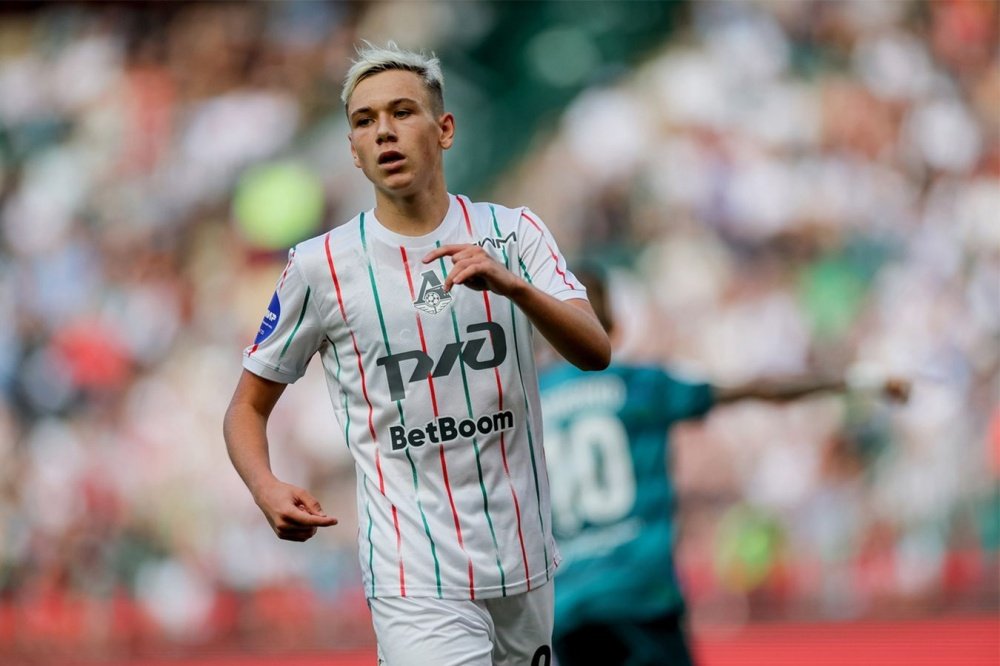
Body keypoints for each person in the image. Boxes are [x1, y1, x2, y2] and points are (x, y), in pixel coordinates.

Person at [223, 42, 610, 666]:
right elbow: (246, 406)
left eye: (402, 112)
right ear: (353, 150)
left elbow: (595, 351)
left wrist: (514, 287)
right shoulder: (320, 267)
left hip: (524, 556)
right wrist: (264, 487)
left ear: (445, 129)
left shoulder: (515, 233)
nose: (384, 132)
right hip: (412, 571)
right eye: (365, 121)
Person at [539, 269, 909, 666]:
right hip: (639, 593)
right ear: (613, 324)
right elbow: (759, 389)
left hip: (569, 606)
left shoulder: (536, 400)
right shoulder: (641, 386)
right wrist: (855, 382)